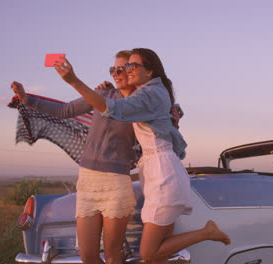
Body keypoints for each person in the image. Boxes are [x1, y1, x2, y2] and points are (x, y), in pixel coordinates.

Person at [54, 48, 231, 263]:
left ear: (150, 72)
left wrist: (74, 81)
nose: (127, 70)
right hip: (154, 171)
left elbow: (114, 109)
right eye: (123, 67)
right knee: (158, 257)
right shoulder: (147, 92)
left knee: (149, 253)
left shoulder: (151, 94)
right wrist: (112, 88)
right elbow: (125, 102)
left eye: (132, 66)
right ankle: (206, 233)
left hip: (163, 174)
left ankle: (207, 232)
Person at [11, 50, 138, 264]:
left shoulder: (140, 104)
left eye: (121, 68)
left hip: (116, 183)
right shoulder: (103, 95)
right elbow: (65, 109)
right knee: (88, 256)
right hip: (87, 180)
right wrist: (27, 99)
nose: (116, 73)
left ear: (134, 70)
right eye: (112, 69)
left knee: (113, 255)